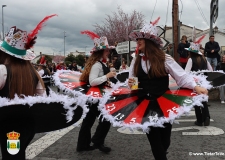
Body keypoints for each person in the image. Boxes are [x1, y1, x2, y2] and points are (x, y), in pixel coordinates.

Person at [129, 17, 208, 160]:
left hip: (163, 104)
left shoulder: (165, 59)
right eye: (138, 39)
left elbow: (182, 77)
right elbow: (133, 81)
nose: (138, 41)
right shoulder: (136, 59)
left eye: (141, 39)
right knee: (155, 141)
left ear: (150, 42)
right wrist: (133, 85)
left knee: (165, 140)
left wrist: (196, 87)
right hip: (145, 104)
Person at [0, 26, 47, 159]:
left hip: (7, 126)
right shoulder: (33, 72)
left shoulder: (2, 70)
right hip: (27, 125)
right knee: (17, 155)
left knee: (11, 157)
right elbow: (42, 99)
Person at [77, 31, 117, 153]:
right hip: (95, 98)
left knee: (88, 121)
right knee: (106, 119)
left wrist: (107, 81)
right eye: (107, 51)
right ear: (101, 52)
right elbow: (93, 81)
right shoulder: (97, 65)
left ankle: (82, 145)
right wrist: (107, 76)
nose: (108, 52)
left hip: (94, 97)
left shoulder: (99, 63)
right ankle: (97, 141)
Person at [185, 42, 212, 126]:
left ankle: (199, 120)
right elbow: (210, 70)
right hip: (203, 81)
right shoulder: (205, 59)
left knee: (196, 101)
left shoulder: (191, 60)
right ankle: (206, 116)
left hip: (195, 82)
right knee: (203, 99)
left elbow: (186, 72)